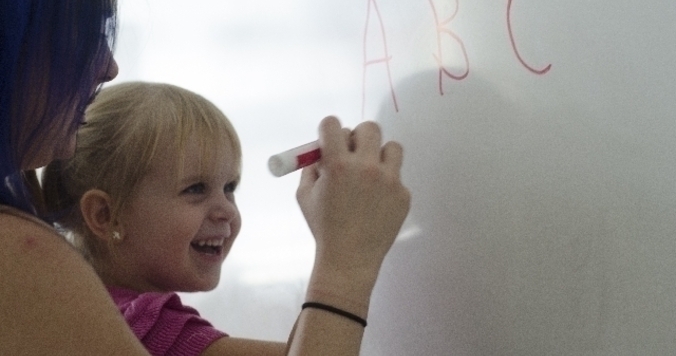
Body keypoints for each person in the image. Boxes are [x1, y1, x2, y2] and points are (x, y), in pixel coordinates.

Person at [1, 1, 410, 354]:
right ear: (106, 215)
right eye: (195, 188)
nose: (109, 66)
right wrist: (345, 261)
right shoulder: (150, 323)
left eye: (230, 188)